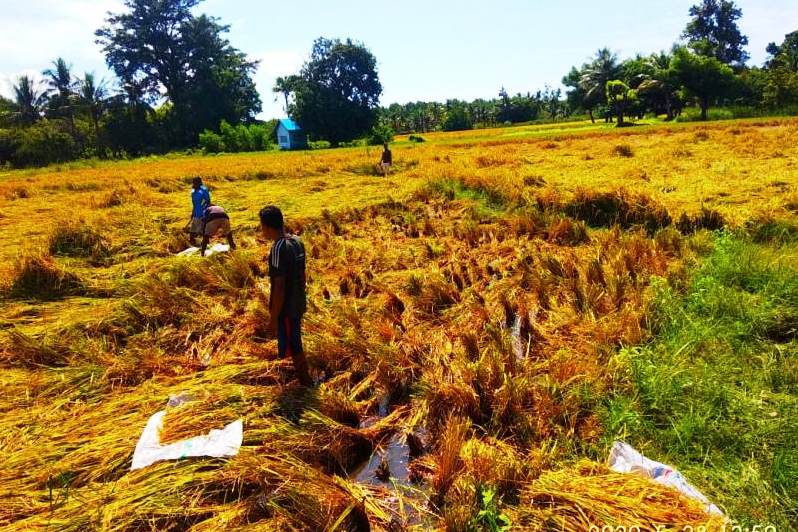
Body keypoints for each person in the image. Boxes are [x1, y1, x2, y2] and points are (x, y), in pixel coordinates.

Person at [259, 205, 312, 386]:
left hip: (287, 308)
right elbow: (303, 275)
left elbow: (279, 286)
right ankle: (304, 379)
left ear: (267, 227)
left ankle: (306, 384)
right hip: (298, 302)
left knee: (294, 344)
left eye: (261, 227)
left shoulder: (278, 248)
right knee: (294, 340)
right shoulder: (297, 242)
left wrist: (274, 318)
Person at [189, 177, 212, 246]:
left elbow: (208, 201)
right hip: (196, 212)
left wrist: (205, 211)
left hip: (202, 213)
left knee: (201, 230)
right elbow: (194, 203)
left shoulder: (203, 190)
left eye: (196, 183)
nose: (194, 184)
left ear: (199, 183)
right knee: (193, 230)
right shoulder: (193, 191)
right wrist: (193, 213)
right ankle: (193, 243)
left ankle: (204, 245)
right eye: (193, 183)